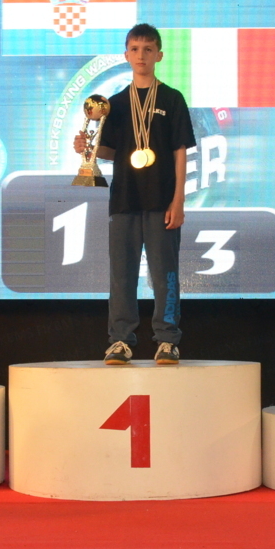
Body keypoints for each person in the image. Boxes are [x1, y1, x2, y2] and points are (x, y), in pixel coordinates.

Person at [73, 23, 196, 365]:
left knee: (165, 274)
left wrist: (179, 200)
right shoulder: (113, 104)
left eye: (148, 49)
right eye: (135, 49)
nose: (141, 55)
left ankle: (167, 339)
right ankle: (120, 340)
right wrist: (87, 148)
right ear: (126, 55)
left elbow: (180, 151)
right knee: (121, 274)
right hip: (124, 200)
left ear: (159, 55)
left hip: (162, 200)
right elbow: (112, 151)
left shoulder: (172, 98)